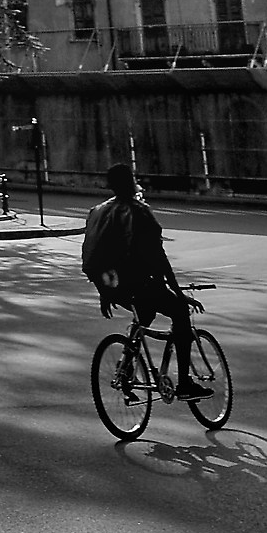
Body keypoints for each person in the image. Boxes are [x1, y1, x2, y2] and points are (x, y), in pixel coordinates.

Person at [83, 164, 214, 400]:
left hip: (113, 288)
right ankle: (184, 383)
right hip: (138, 284)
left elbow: (95, 253)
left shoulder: (97, 212)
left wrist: (104, 292)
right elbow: (159, 258)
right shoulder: (139, 211)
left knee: (145, 314)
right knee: (180, 312)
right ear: (131, 181)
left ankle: (126, 370)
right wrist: (176, 291)